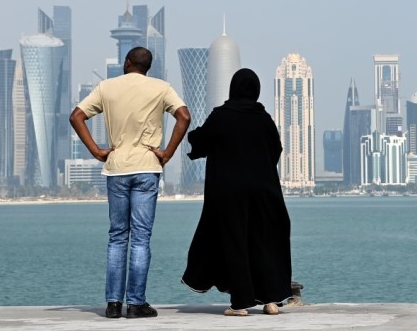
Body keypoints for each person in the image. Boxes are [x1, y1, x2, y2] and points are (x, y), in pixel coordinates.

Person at [70, 46, 190, 319]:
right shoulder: (161, 88)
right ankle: (136, 304)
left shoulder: (106, 87)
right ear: (148, 67)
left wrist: (96, 151)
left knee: (117, 237)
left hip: (117, 168)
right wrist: (167, 153)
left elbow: (76, 116)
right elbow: (184, 116)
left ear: (127, 63)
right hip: (148, 167)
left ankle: (113, 304)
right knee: (141, 238)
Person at [181, 68, 292, 316]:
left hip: (228, 192)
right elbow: (276, 150)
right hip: (264, 190)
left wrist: (192, 135)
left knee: (235, 242)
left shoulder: (222, 116)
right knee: (264, 241)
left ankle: (240, 303)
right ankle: (271, 300)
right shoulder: (264, 118)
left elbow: (200, 141)